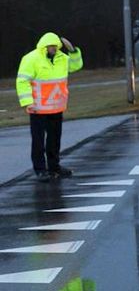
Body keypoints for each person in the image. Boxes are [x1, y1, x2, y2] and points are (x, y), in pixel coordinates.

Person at [16, 33, 83, 182]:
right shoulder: (31, 59)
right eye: (50, 46)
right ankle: (40, 169)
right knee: (38, 141)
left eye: (55, 46)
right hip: (38, 108)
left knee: (54, 140)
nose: (53, 48)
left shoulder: (62, 58)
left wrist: (72, 51)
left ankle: (54, 167)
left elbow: (76, 66)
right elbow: (22, 81)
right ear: (44, 46)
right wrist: (28, 102)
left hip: (56, 107)